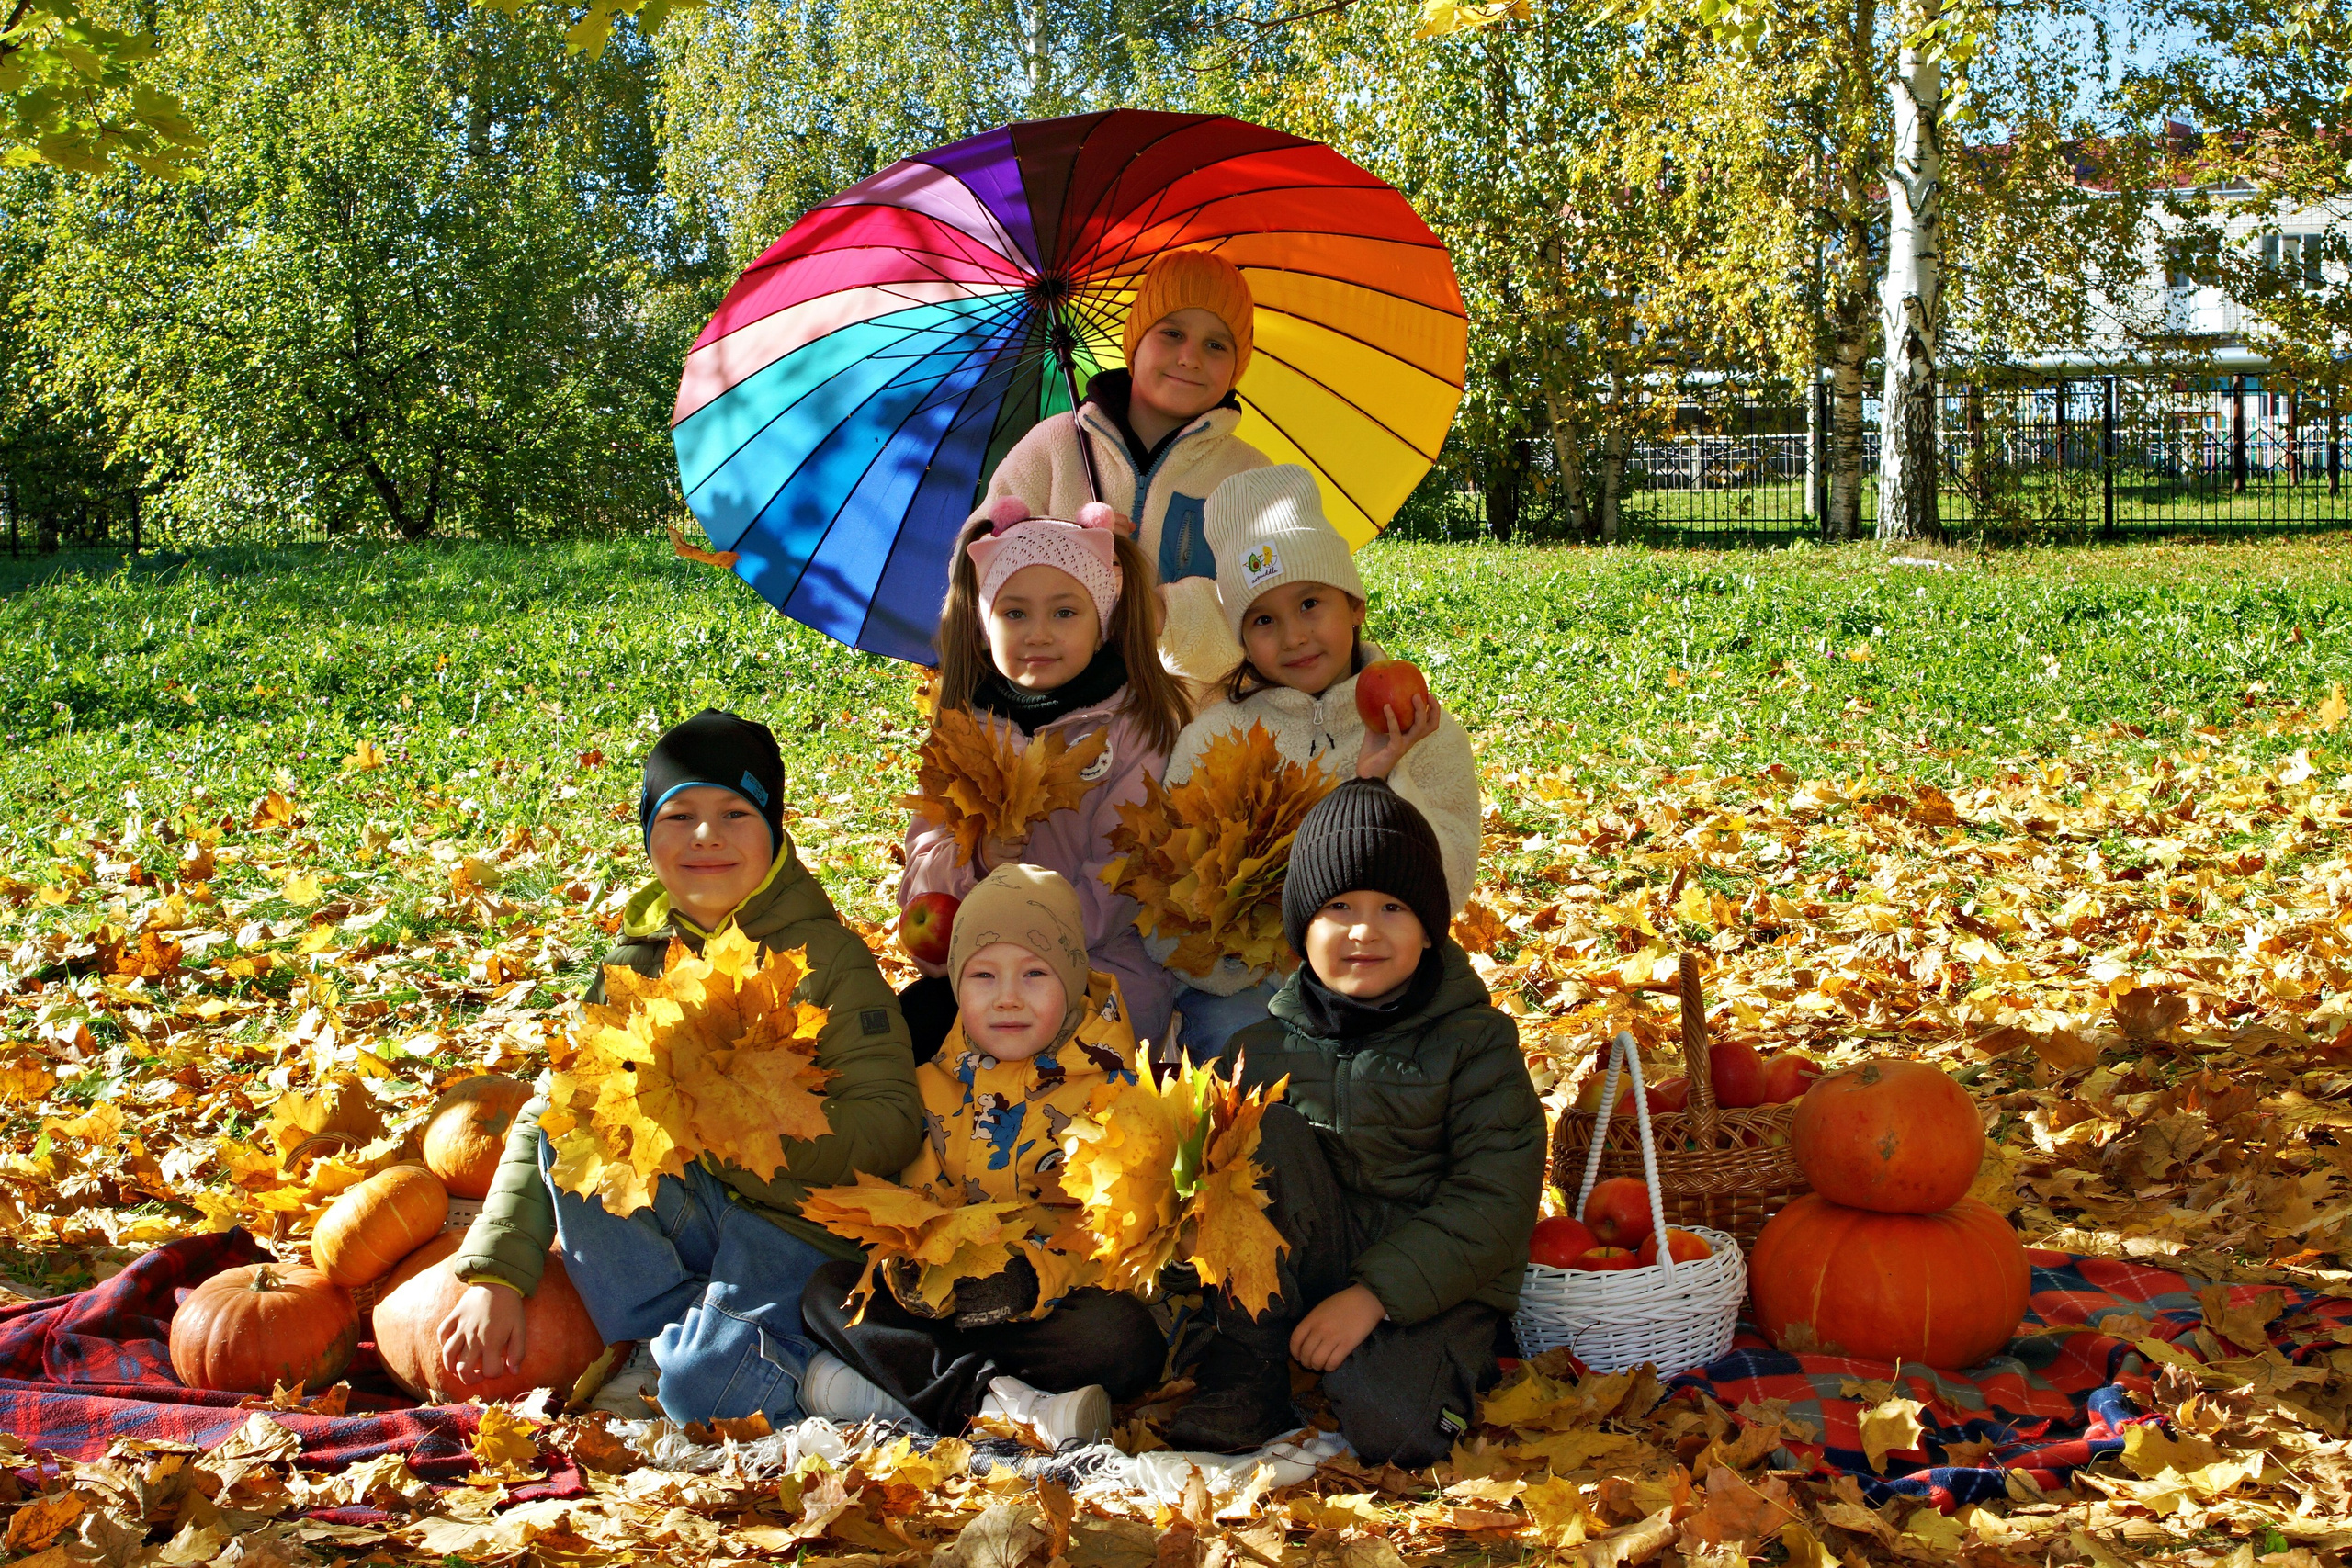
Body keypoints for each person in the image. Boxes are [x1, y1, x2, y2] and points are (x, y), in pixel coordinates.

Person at [437, 709, 923, 1425]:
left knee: (705, 1402)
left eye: (735, 811)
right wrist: (496, 1274)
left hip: (797, 1226)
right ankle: (668, 1338)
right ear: (648, 832)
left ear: (775, 829)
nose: (707, 834)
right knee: (576, 1122)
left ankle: (748, 1366)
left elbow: (892, 1122)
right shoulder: (637, 965)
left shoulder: (826, 959)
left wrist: (761, 1126)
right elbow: (552, 1111)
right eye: (680, 812)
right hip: (694, 1213)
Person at [1165, 779, 1543, 1469]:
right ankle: (1250, 1366)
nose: (1364, 929)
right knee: (1255, 1134)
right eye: (1338, 907)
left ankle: (1416, 1368)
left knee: (1396, 1432)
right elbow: (1209, 1196)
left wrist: (1374, 1296)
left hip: (1430, 1279)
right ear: (1301, 927)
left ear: (1429, 928)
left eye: (1392, 907)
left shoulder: (1476, 1043)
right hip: (1308, 1257)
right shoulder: (1257, 1047)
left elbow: (1496, 1197)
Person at [797, 865, 1166, 1447]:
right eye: (984, 976)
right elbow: (912, 1209)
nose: (1008, 998)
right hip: (955, 1304)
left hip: (1050, 1306)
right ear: (958, 987)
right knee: (828, 1290)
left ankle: (908, 1391)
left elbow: (1120, 1245)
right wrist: (909, 1268)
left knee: (1121, 1337)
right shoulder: (931, 1085)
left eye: (1035, 974)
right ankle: (999, 1405)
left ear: (1071, 978)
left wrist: (1032, 1280)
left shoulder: (1115, 1096)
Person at [1158, 465, 1481, 1059]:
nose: (1294, 636)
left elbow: (1450, 883)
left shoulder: (1422, 730)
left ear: (1355, 603)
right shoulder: (1211, 738)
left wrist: (1386, 778)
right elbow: (1166, 903)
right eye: (1263, 620)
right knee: (1243, 1062)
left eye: (1311, 603)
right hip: (1247, 994)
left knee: (1451, 1050)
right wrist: (1245, 964)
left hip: (1387, 981)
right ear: (1241, 637)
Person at [896, 498, 1187, 1062]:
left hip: (1097, 971)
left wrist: (1028, 956)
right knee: (907, 1041)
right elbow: (922, 869)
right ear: (982, 627)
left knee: (1073, 1079)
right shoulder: (961, 730)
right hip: (976, 969)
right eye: (1014, 613)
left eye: (1064, 613)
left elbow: (1121, 878)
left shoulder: (1132, 729)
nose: (1038, 634)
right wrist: (978, 857)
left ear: (1102, 624)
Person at [972, 249, 1271, 691]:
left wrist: (1161, 613)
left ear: (1237, 365)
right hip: (1058, 723)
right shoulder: (1052, 446)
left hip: (1197, 730)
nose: (1189, 357)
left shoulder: (1250, 478)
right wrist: (1060, 555)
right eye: (1171, 333)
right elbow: (978, 557)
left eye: (1216, 344)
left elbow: (1269, 609)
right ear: (1136, 342)